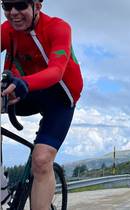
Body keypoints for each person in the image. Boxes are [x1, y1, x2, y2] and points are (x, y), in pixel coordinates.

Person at [1, 0, 83, 209]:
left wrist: (24, 83)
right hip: (25, 90)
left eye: (20, 5)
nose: (12, 13)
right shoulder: (7, 30)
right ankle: (2, 187)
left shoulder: (58, 27)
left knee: (41, 160)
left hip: (60, 97)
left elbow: (56, 71)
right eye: (6, 6)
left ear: (37, 6)